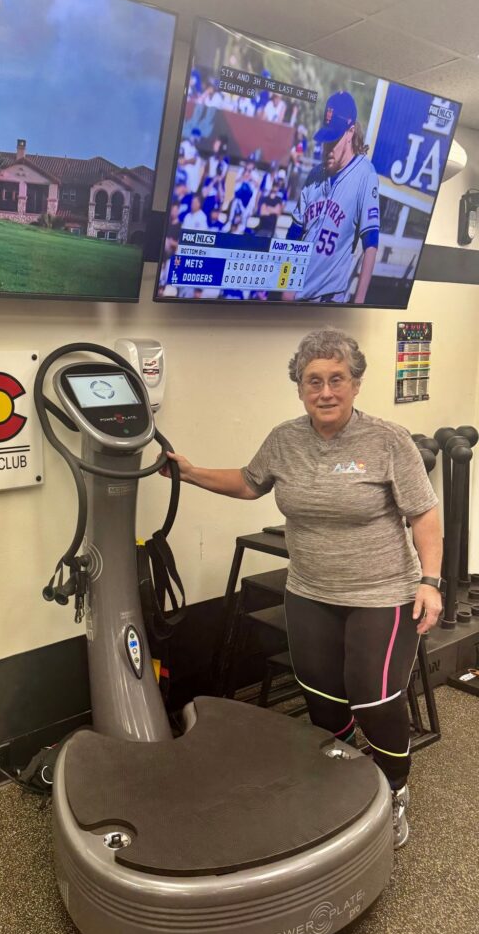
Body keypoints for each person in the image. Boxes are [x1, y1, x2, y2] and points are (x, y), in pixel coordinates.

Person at [160, 328, 442, 850]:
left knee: (374, 698)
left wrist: (430, 582)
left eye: (337, 379)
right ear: (300, 388)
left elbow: (424, 513)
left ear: (356, 385)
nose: (326, 391)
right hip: (310, 590)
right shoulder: (285, 440)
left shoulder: (387, 440)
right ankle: (344, 768)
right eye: (314, 381)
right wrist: (192, 473)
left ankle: (396, 789)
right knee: (322, 697)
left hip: (382, 594)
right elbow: (250, 482)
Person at [284, 91, 379, 303]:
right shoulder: (315, 175)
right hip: (294, 296)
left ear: (350, 133)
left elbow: (371, 242)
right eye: (325, 139)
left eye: (333, 139)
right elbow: (294, 233)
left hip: (327, 300)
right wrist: (284, 285)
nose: (326, 148)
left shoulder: (365, 174)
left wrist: (359, 301)